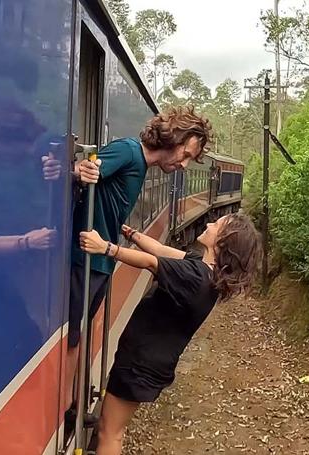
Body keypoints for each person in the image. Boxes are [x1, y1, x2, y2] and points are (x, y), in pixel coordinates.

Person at [67, 106, 212, 419]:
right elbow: (88, 170)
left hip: (97, 265)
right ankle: (64, 407)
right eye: (186, 154)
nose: (185, 164)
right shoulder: (129, 151)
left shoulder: (140, 166)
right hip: (86, 260)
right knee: (71, 336)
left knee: (81, 332)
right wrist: (81, 170)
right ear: (172, 137)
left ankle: (75, 403)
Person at [78, 212, 261, 455]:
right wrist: (130, 233)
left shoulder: (195, 277)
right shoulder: (205, 272)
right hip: (147, 363)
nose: (208, 224)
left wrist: (106, 248)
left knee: (110, 433)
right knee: (111, 430)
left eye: (215, 225)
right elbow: (159, 250)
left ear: (224, 241)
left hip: (139, 365)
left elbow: (151, 262)